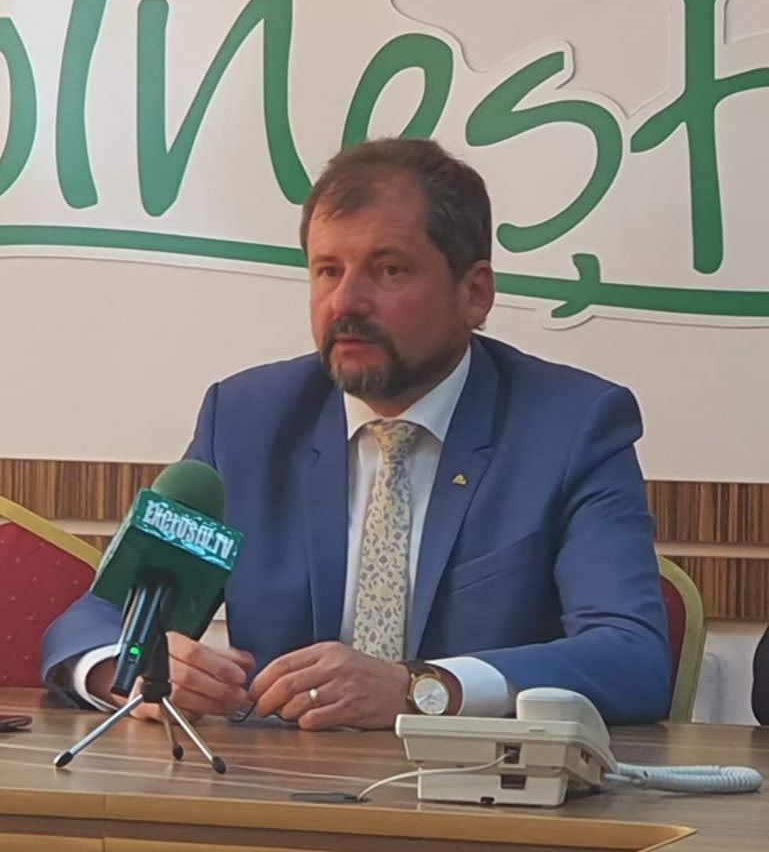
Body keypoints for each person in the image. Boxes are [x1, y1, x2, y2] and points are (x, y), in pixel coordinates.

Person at [42, 138, 671, 730]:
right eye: (327, 271)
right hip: (277, 787)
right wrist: (132, 669)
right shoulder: (244, 421)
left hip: (482, 790)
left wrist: (419, 688)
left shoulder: (573, 426)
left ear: (475, 293)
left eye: (388, 270)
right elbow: (98, 619)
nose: (345, 302)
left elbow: (632, 658)